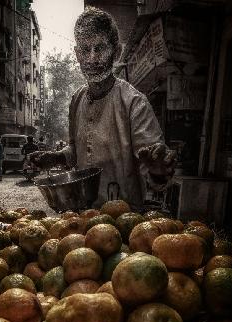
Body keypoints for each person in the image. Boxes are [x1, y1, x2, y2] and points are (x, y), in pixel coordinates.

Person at [30, 7, 176, 210]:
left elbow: (155, 172)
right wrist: (57, 157)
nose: (91, 58)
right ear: (77, 54)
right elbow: (77, 149)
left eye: (99, 48)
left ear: (116, 52)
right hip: (82, 217)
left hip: (124, 222)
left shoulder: (134, 103)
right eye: (84, 49)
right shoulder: (77, 100)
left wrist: (158, 169)